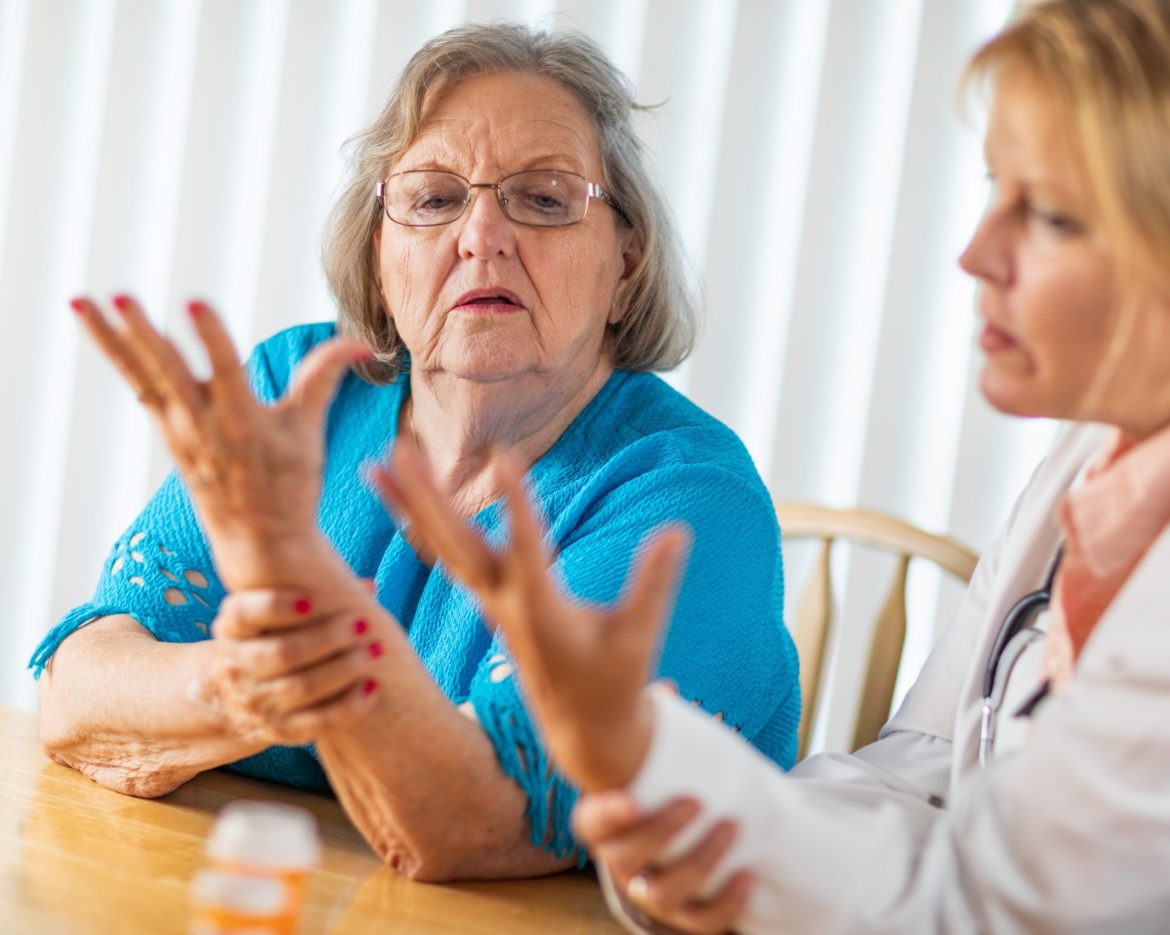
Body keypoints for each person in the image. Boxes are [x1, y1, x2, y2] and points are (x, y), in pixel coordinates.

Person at [372, 0, 1170, 927]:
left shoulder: (678, 491)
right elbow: (921, 765)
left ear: (627, 257)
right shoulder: (1092, 463)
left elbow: (994, 907)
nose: (976, 251)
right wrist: (688, 840)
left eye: (1054, 215)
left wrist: (652, 760)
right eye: (994, 189)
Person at [29, 24, 800, 882]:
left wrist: (307, 647)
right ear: (379, 253)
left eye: (544, 199)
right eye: (433, 200)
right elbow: (75, 690)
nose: (482, 236)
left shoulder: (688, 501)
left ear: (626, 260)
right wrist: (244, 684)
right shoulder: (302, 391)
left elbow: (478, 821)